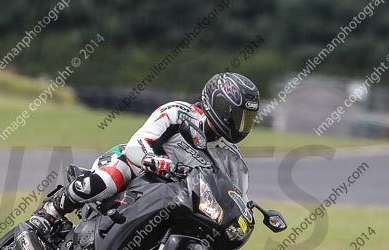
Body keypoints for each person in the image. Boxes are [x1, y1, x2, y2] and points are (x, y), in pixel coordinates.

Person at [28, 72, 260, 235]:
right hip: (136, 166)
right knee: (109, 179)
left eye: (247, 119)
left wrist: (249, 212)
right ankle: (51, 209)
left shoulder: (232, 156)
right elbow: (138, 143)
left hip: (175, 197)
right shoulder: (178, 112)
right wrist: (153, 160)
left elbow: (237, 195)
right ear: (219, 106)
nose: (241, 125)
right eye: (237, 116)